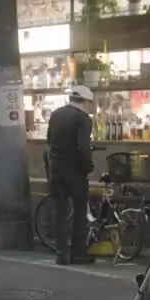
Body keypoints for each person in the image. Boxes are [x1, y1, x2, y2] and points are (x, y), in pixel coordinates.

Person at [45, 85, 97, 265]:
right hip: (75, 171)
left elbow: (49, 140)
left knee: (60, 212)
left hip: (56, 169)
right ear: (85, 101)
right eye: (90, 103)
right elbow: (83, 147)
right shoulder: (82, 118)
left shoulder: (56, 114)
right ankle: (78, 253)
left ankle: (61, 253)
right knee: (79, 212)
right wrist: (88, 166)